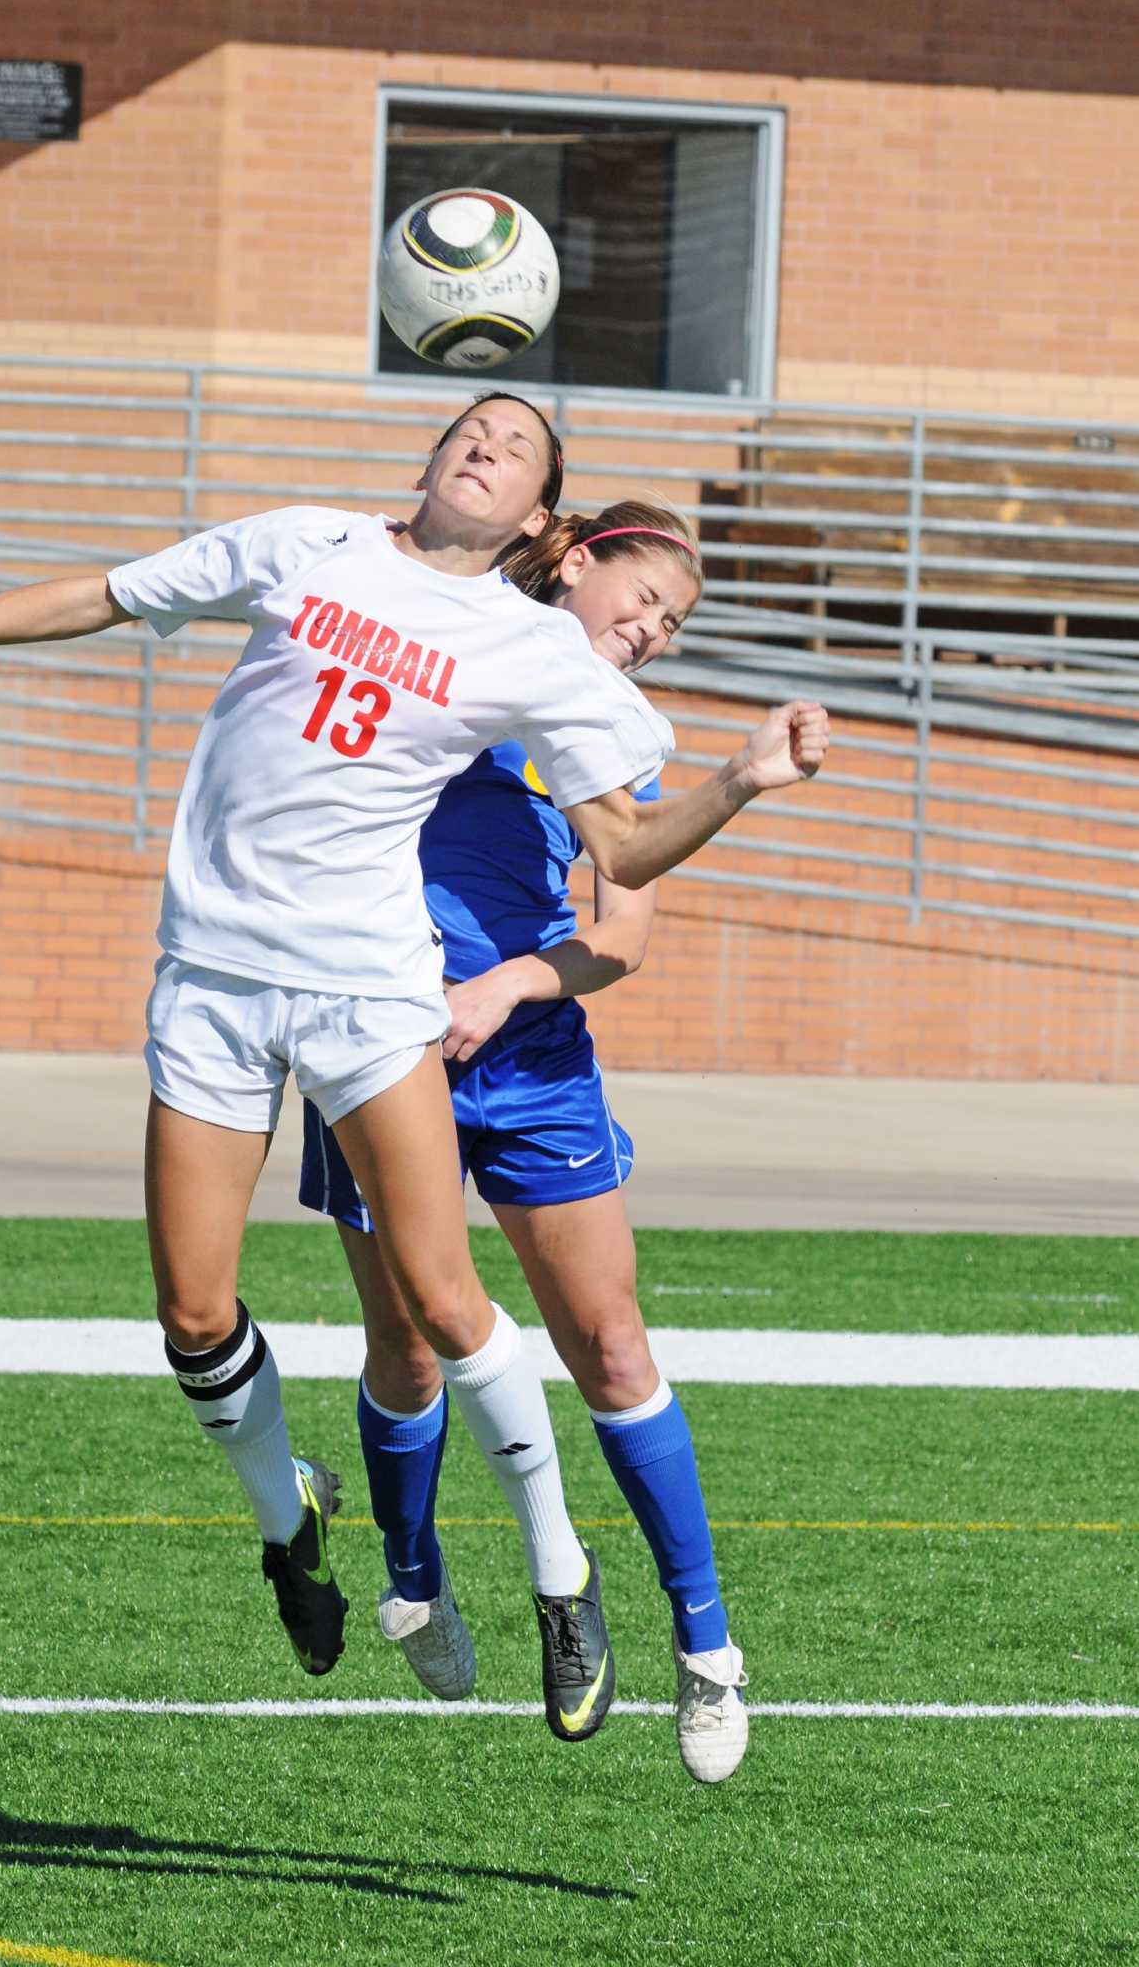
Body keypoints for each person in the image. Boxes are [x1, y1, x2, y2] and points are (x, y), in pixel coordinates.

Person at [0, 392, 829, 1737]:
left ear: (539, 513)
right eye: (473, 425)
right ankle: (298, 1529)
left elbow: (622, 865)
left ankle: (568, 1582)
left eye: (517, 446)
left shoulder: (529, 651)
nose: (485, 445)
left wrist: (740, 780)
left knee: (456, 1308)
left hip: (366, 995)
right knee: (195, 1317)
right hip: (213, 980)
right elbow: (107, 593)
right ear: (446, 463)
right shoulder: (306, 544)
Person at [300, 502, 766, 1779]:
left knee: (612, 1344)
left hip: (531, 1061)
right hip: (378, 1049)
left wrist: (505, 987)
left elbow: (621, 936)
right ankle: (413, 1581)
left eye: (675, 621)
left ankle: (708, 1647)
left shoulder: (615, 740)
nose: (656, 628)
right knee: (405, 1340)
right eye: (646, 595)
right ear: (576, 561)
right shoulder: (438, 654)